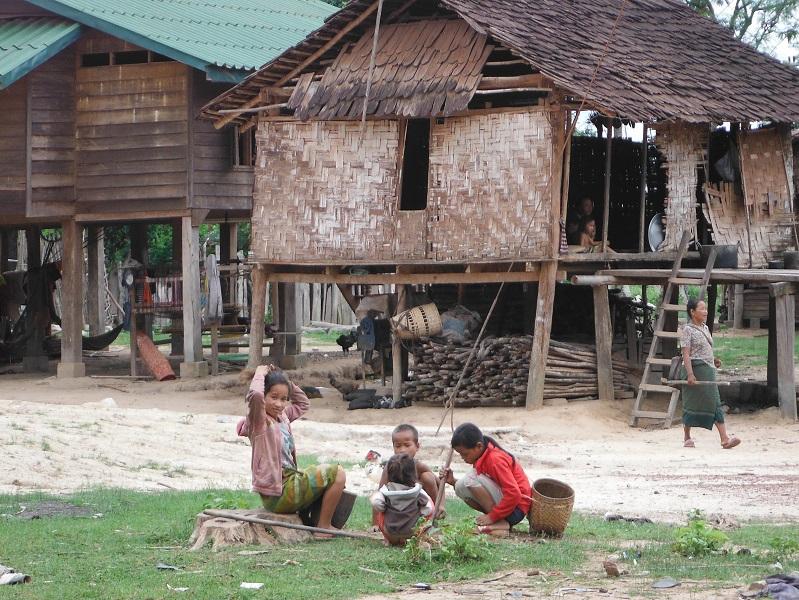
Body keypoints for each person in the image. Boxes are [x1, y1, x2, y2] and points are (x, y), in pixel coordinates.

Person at [236, 365, 347, 537]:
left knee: (331, 477)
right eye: (274, 397)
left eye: (284, 399)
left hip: (288, 483)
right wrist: (260, 372)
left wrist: (285, 379)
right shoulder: (258, 422)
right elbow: (255, 395)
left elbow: (303, 403)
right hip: (278, 493)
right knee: (338, 473)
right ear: (264, 397)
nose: (280, 404)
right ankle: (323, 528)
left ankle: (315, 521)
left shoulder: (282, 417)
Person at [442, 423, 532, 536]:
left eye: (465, 454)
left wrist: (492, 516)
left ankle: (498, 521)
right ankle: (501, 523)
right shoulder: (482, 456)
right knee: (460, 486)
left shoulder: (495, 460)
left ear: (479, 446)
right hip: (509, 509)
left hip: (516, 509)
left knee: (470, 478)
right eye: (460, 455)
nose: (463, 458)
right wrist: (452, 481)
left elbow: (514, 493)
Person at [680, 298, 741, 450]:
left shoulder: (705, 328)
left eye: (706, 308)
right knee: (692, 402)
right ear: (692, 312)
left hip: (708, 370)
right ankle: (688, 437)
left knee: (714, 403)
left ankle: (724, 439)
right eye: (702, 309)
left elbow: (702, 350)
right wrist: (690, 374)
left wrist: (713, 360)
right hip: (695, 370)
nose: (705, 311)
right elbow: (686, 354)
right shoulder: (687, 330)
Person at [370, 453, 434, 546]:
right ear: (414, 473)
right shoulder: (418, 492)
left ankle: (388, 540)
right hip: (412, 534)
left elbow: (376, 502)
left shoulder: (385, 491)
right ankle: (419, 539)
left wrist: (384, 509)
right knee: (430, 503)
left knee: (380, 508)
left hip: (391, 534)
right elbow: (429, 509)